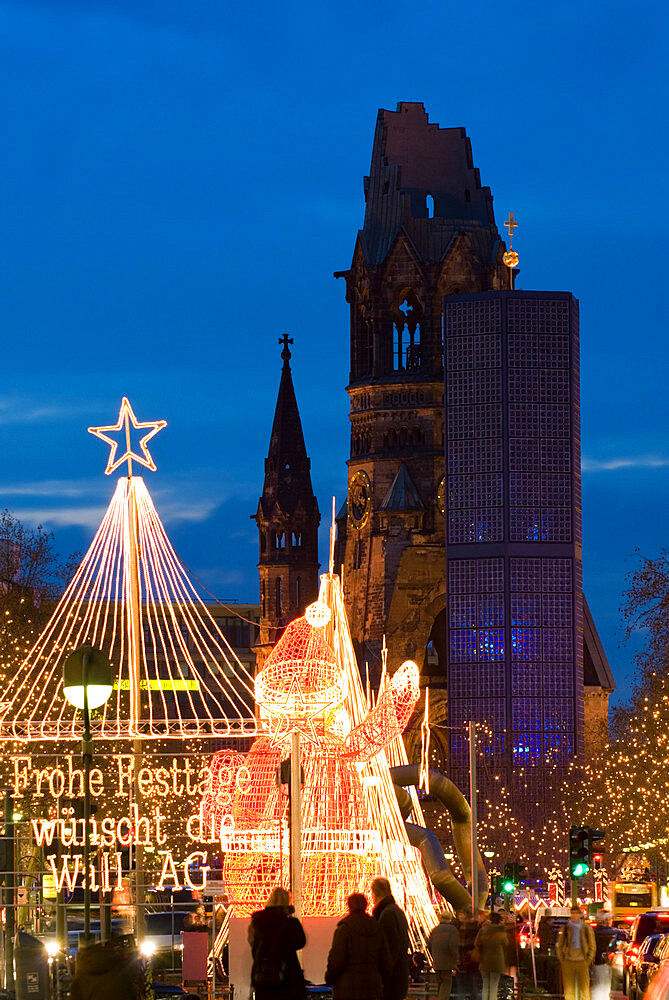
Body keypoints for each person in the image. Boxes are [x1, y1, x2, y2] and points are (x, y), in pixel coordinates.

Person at [325, 892, 391, 1000]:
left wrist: (329, 978)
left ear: (349, 906)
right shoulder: (377, 929)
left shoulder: (344, 930)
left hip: (348, 989)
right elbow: (386, 961)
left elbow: (336, 960)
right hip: (372, 988)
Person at [248, 886, 306, 1000]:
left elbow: (253, 944)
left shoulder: (258, 921)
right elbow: (301, 942)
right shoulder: (291, 923)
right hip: (288, 976)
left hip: (263, 975)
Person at [371, 877, 410, 1000]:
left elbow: (390, 947)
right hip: (399, 974)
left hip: (392, 978)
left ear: (374, 893)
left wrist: (383, 972)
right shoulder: (397, 911)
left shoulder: (386, 914)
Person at [556, 905, 596, 1000]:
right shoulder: (566, 928)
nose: (574, 916)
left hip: (582, 961)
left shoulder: (586, 928)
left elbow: (592, 945)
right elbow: (560, 944)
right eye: (572, 913)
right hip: (568, 961)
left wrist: (588, 960)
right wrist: (562, 959)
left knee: (584, 990)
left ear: (580, 915)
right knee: (569, 991)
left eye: (576, 913)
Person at [474, 911, 508, 1000]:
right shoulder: (501, 931)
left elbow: (476, 943)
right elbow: (506, 943)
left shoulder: (483, 930)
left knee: (485, 984)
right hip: (497, 961)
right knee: (494, 986)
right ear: (499, 921)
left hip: (484, 960)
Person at [429, 912, 461, 1000]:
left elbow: (429, 945)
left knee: (440, 985)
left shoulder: (434, 930)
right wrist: (456, 960)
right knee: (446, 986)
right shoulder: (452, 930)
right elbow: (453, 947)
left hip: (436, 963)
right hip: (447, 963)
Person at [591, 911, 616, 1000]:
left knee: (598, 983)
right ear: (606, 920)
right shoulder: (611, 933)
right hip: (603, 962)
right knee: (603, 984)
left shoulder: (593, 932)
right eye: (610, 919)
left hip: (595, 961)